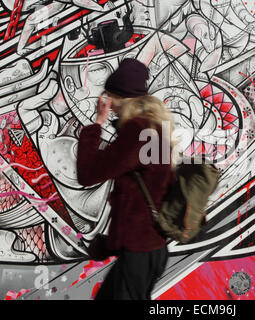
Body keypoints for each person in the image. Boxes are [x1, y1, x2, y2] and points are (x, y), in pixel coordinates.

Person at [76, 58, 176, 300]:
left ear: (118, 98)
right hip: (151, 250)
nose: (107, 104)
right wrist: (111, 244)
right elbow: (143, 198)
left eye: (108, 97)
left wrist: (98, 123)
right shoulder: (155, 129)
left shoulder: (138, 132)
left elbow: (87, 173)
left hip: (140, 252)